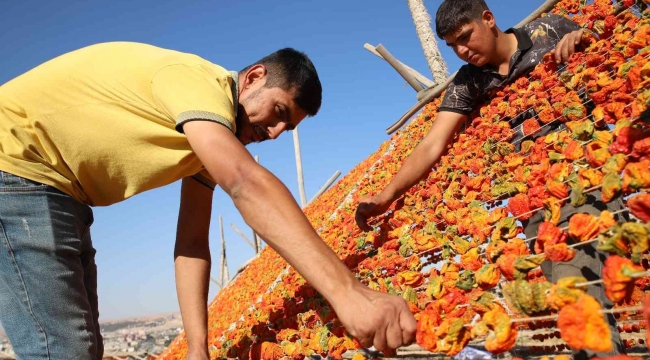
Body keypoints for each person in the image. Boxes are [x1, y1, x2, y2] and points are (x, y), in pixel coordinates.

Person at [0, 42, 416, 360]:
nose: (272, 133)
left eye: (284, 128)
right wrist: (350, 296)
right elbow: (243, 181)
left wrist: (198, 347)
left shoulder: (205, 142)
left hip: (52, 191)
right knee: (63, 350)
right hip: (17, 166)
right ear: (253, 77)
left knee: (82, 346)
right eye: (277, 112)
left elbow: (193, 242)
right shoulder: (197, 82)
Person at [355, 0, 625, 358]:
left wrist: (583, 37)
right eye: (453, 47)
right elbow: (433, 143)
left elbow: (612, 38)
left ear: (489, 19)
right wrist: (386, 195)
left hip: (593, 167)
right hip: (538, 197)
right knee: (571, 281)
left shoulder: (548, 30)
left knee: (609, 274)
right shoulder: (469, 82)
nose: (462, 51)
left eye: (465, 38)